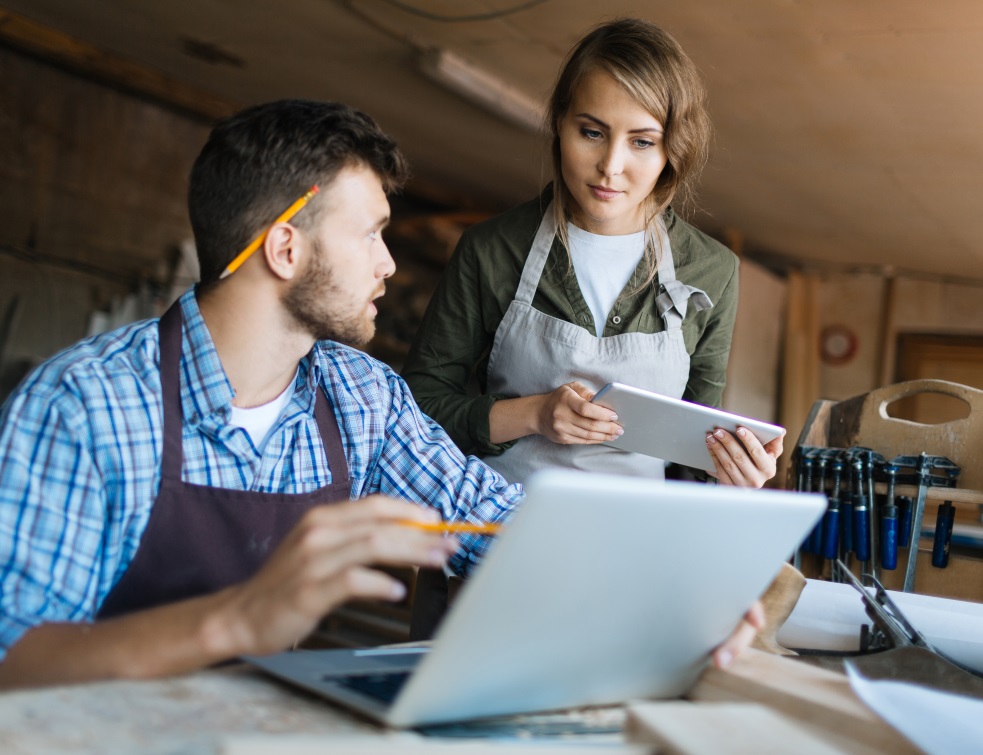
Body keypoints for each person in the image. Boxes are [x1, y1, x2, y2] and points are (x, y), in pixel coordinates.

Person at [0, 99, 760, 690]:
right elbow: (14, 661)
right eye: (371, 233)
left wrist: (681, 589)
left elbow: (496, 522)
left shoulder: (357, 397)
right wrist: (234, 618)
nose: (389, 264)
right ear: (286, 247)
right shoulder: (85, 403)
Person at [403, 18, 784, 487]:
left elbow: (692, 450)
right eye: (591, 132)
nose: (611, 167)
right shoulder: (492, 249)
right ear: (560, 123)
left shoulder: (712, 269)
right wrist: (534, 415)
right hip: (497, 528)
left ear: (672, 150)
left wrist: (731, 471)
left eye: (642, 142)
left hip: (635, 542)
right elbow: (418, 408)